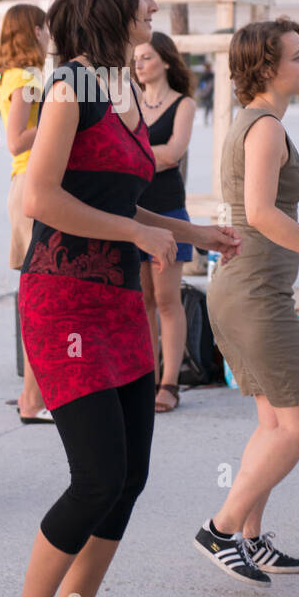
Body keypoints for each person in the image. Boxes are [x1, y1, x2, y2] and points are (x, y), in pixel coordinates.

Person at [1, 0, 240, 597]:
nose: (151, 2)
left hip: (115, 305)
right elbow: (41, 196)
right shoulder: (70, 82)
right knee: (96, 476)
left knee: (129, 478)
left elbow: (108, 195)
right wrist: (140, 237)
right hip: (63, 298)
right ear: (111, 2)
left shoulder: (124, 91)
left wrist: (189, 233)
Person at [195, 19, 299, 587]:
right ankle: (220, 530)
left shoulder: (259, 123)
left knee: (274, 424)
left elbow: (261, 214)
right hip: (254, 295)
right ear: (268, 68)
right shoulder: (265, 127)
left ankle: (249, 537)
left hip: (248, 289)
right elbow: (263, 215)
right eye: (298, 57)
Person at [133, 34, 197, 413]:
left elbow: (173, 154)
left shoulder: (183, 104)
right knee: (142, 301)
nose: (139, 64)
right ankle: (146, 377)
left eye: (147, 57)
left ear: (167, 62)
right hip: (132, 211)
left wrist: (131, 155)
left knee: (168, 300)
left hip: (169, 209)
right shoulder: (128, 102)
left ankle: (170, 382)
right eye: (136, 58)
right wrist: (147, 157)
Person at [0, 2, 54, 423]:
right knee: (44, 296)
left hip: (27, 184)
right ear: (35, 31)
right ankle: (32, 399)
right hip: (32, 182)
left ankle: (32, 394)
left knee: (40, 294)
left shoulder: (16, 76)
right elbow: (16, 140)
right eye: (46, 27)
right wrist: (60, 114)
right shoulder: (28, 79)